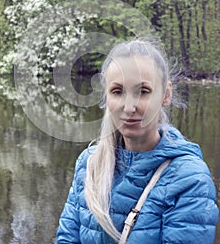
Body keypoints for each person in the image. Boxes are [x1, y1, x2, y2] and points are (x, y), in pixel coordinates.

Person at [56, 39, 219, 243]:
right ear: (106, 96)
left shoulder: (189, 179)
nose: (129, 107)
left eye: (143, 91)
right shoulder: (88, 164)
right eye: (117, 91)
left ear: (166, 94)